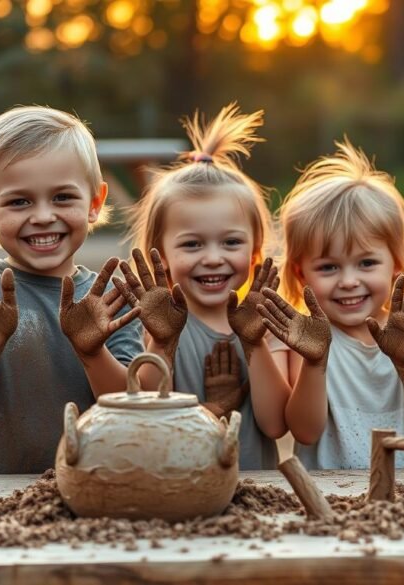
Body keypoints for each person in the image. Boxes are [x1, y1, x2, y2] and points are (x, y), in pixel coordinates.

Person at [0, 106, 143, 581]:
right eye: (18, 202)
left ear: (95, 202)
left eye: (62, 197)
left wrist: (92, 350)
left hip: (98, 511)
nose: (43, 216)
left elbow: (132, 413)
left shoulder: (109, 296)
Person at [117, 104, 290, 471]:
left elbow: (275, 423)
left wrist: (254, 342)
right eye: (192, 244)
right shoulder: (157, 325)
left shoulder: (265, 326)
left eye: (230, 243)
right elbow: (145, 418)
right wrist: (162, 344)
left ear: (255, 251)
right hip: (176, 492)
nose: (213, 258)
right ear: (160, 256)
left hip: (257, 492)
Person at [258, 140, 404, 470]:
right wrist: (314, 363)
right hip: (329, 498)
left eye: (366, 263)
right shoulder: (299, 336)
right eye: (328, 267)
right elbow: (304, 431)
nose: (348, 281)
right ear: (301, 274)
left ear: (397, 266)